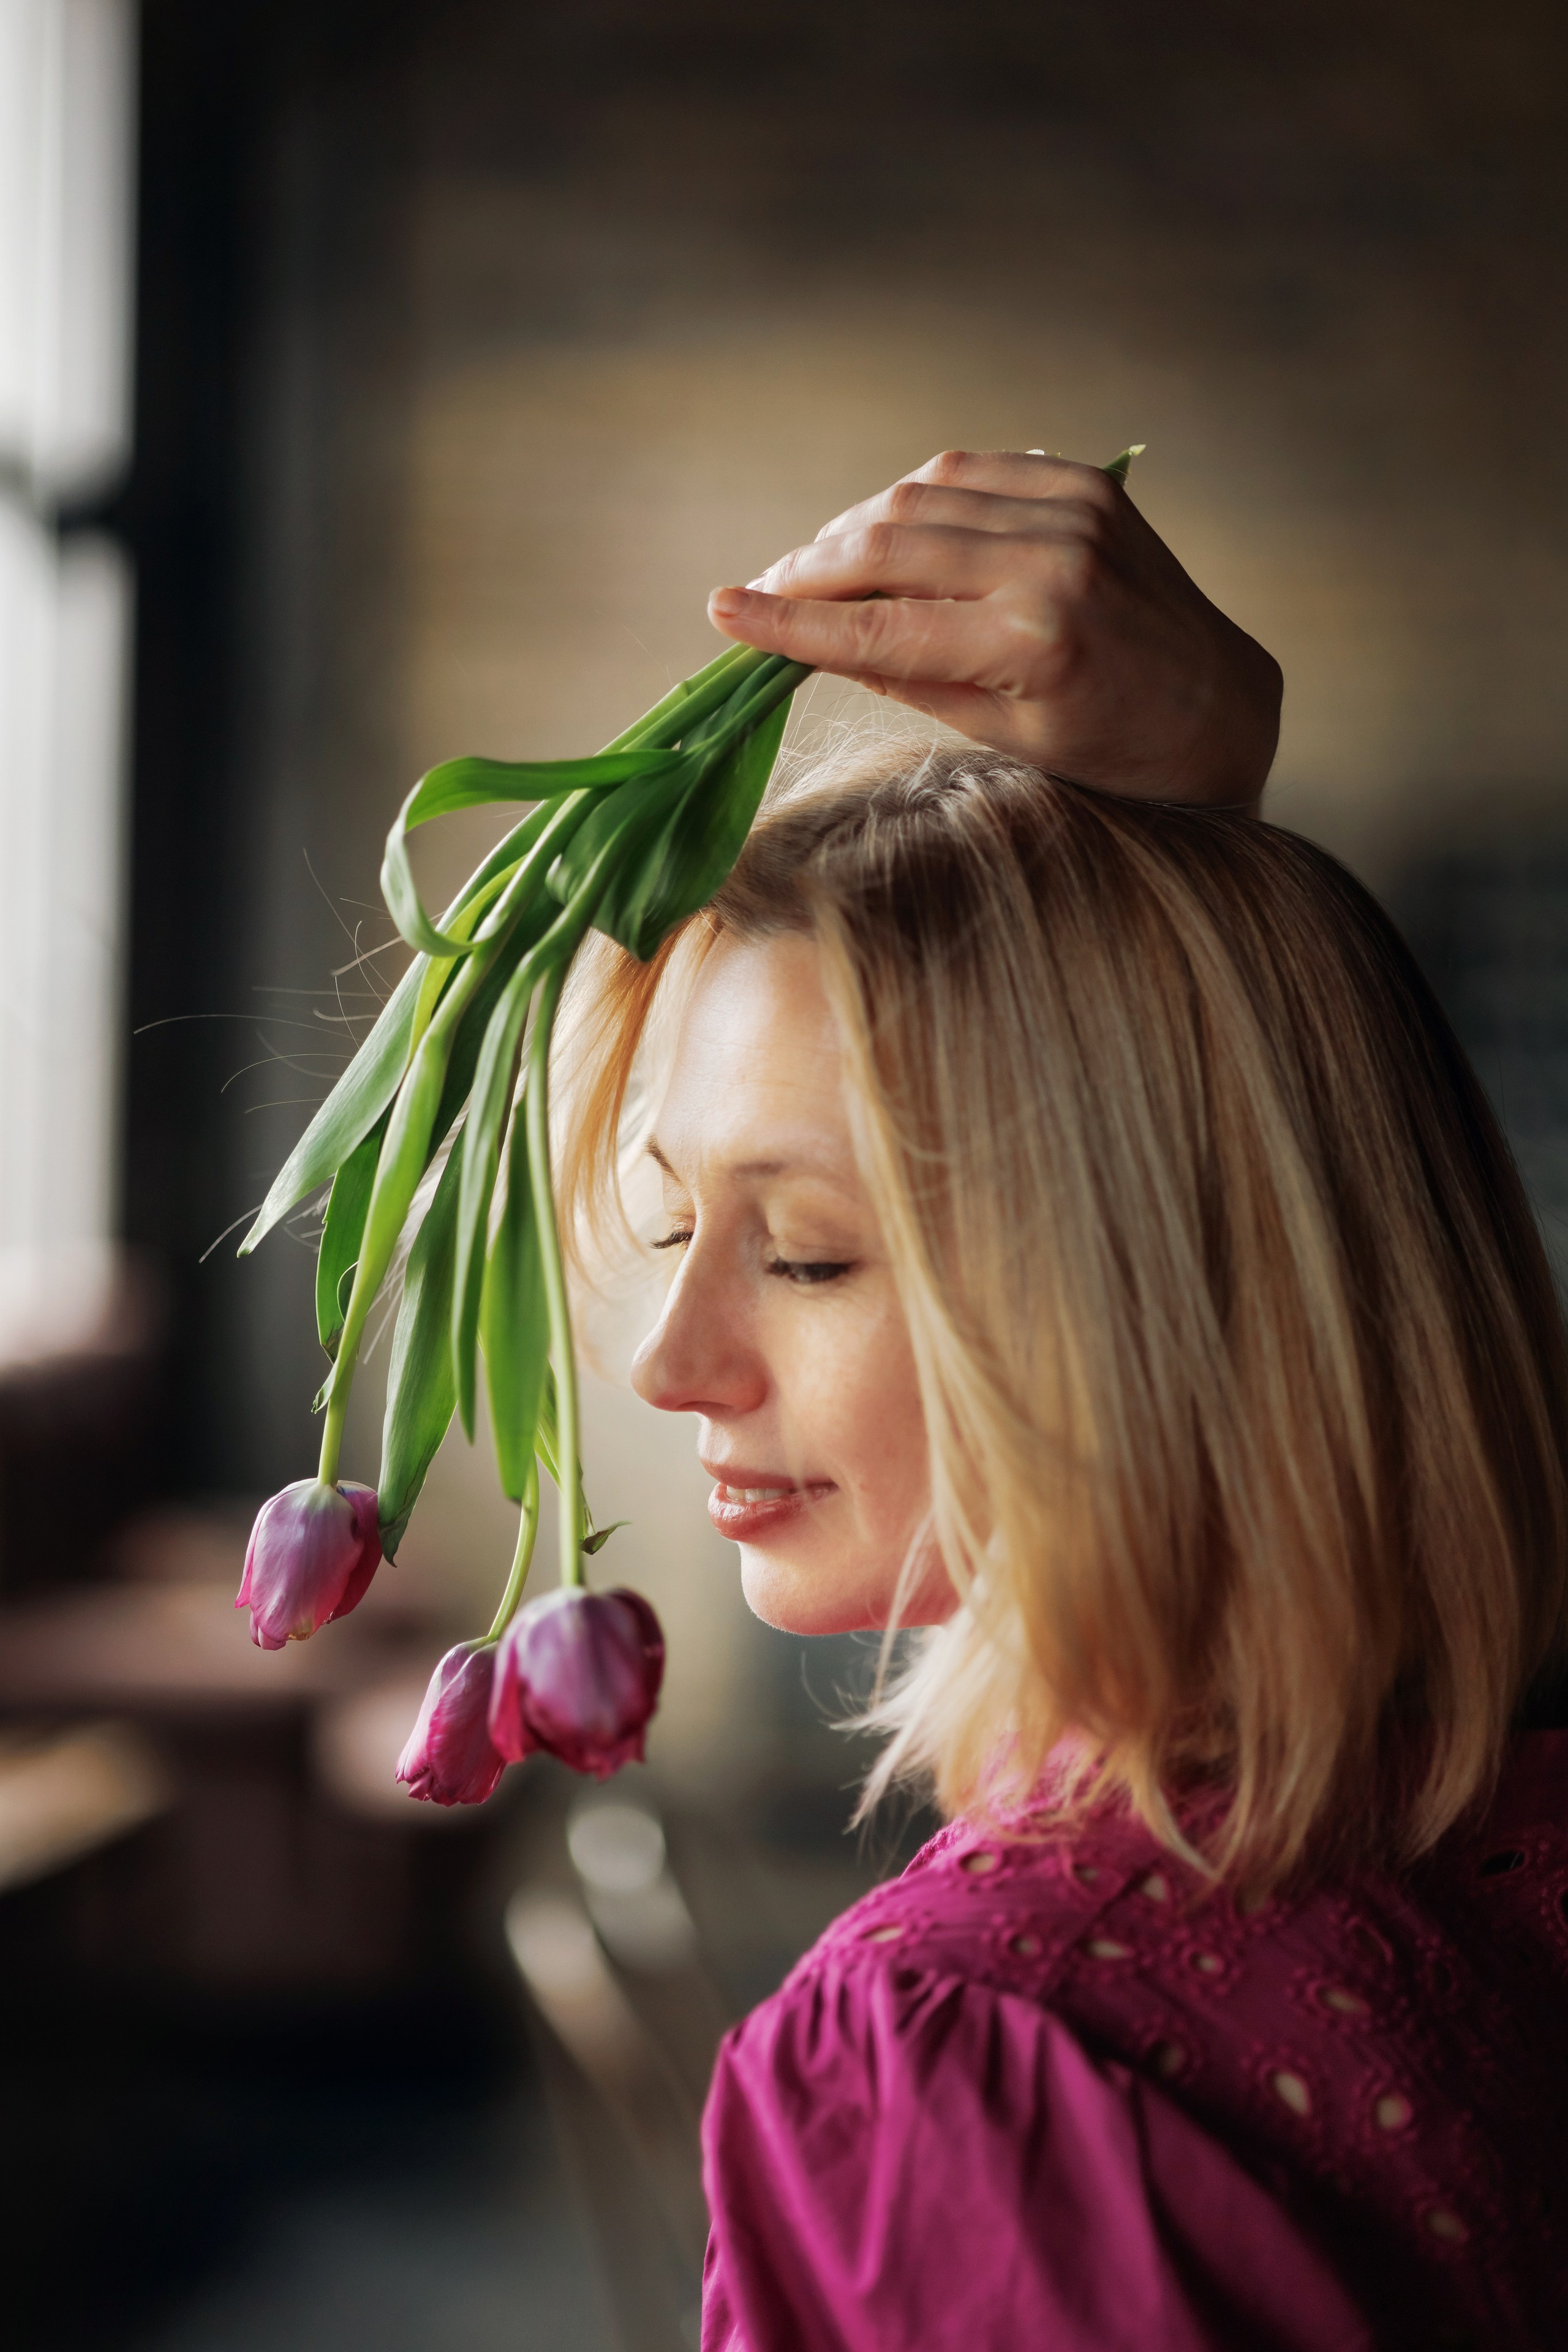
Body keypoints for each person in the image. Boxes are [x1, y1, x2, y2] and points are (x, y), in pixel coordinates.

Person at [559, 453, 1568, 2350]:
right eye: (679, 1219)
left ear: (1134, 1291)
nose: (662, 1360)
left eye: (808, 1253)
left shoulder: (975, 2050)